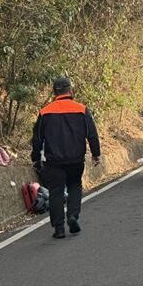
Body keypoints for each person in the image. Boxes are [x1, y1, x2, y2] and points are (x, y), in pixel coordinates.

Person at [31, 76, 101, 239]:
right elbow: (92, 134)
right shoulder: (82, 109)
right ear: (70, 90)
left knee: (56, 192)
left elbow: (37, 139)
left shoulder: (45, 111)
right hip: (76, 159)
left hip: (54, 161)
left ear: (54, 92)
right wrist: (96, 154)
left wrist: (35, 157)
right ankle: (73, 216)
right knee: (75, 186)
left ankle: (59, 229)